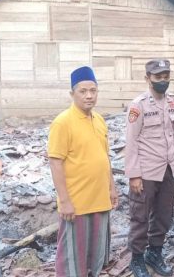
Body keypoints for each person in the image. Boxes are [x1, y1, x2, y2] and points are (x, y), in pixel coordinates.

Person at [47, 66, 118, 277]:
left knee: (95, 256)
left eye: (93, 91)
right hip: (77, 203)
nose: (89, 96)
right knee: (72, 258)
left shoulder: (99, 120)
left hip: (100, 199)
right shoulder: (63, 122)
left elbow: (104, 158)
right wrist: (65, 200)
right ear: (72, 94)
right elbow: (55, 163)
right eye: (83, 91)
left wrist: (112, 188)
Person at [125, 59, 174, 277]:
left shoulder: (172, 102)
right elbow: (131, 141)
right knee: (140, 216)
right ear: (147, 79)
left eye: (165, 76)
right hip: (145, 171)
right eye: (157, 77)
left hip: (167, 169)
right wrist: (134, 175)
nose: (162, 81)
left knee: (164, 214)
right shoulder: (138, 105)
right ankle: (136, 259)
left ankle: (155, 252)